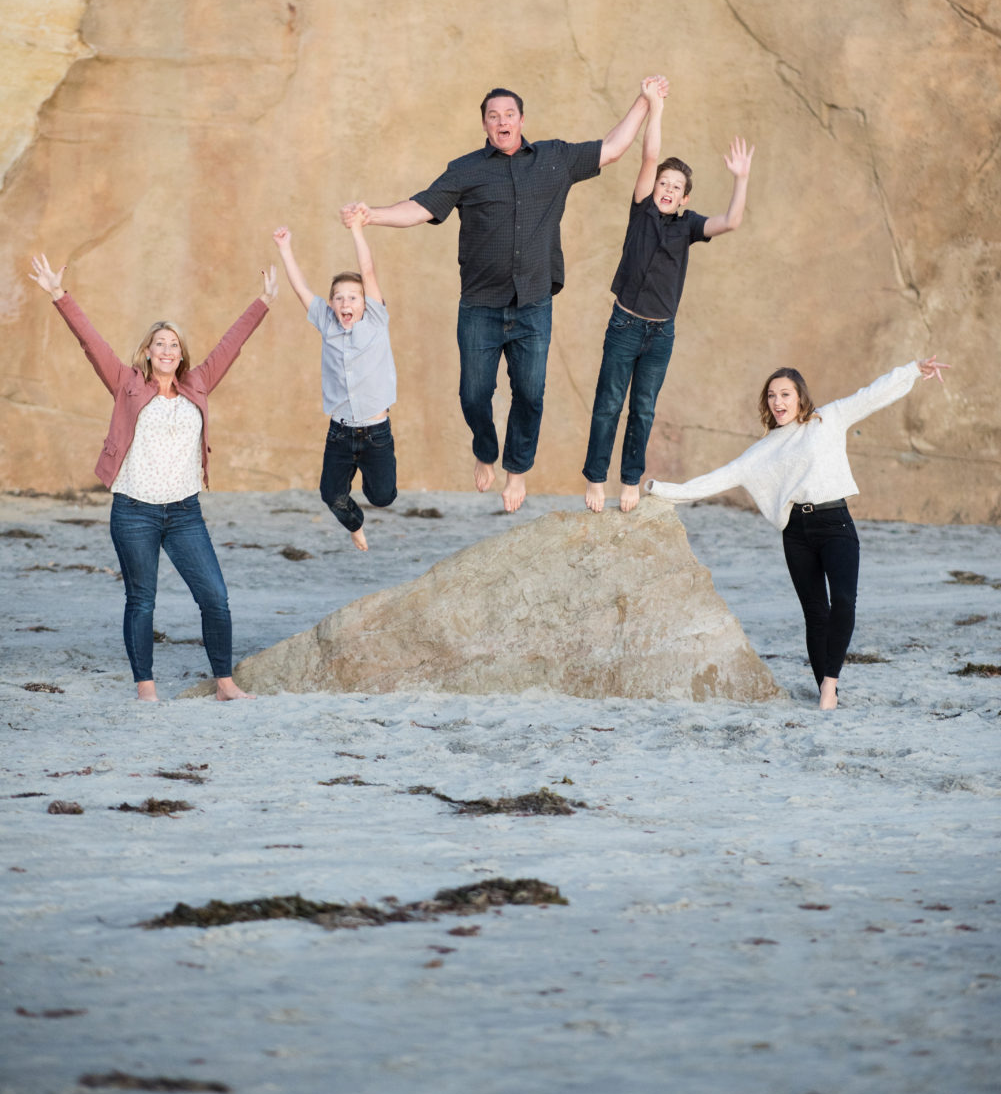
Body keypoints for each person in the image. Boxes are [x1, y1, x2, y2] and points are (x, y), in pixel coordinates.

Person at [339, 78, 666, 512]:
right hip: (480, 306)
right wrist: (372, 216)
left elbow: (612, 147)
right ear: (485, 126)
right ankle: (485, 448)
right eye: (493, 116)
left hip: (533, 304)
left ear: (522, 120)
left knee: (530, 394)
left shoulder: (555, 159)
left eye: (509, 114)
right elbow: (421, 206)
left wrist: (645, 102)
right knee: (474, 395)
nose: (502, 121)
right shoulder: (466, 169)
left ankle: (516, 471)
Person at [29, 252, 278, 703]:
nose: (167, 351)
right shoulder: (126, 382)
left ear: (182, 354)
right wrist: (59, 294)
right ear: (148, 350)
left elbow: (230, 344)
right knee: (142, 600)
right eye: (160, 344)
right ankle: (146, 688)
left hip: (185, 511)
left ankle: (225, 684)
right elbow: (91, 342)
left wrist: (263, 301)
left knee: (215, 598)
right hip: (134, 510)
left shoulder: (198, 382)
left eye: (175, 345)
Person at [645, 356, 950, 710]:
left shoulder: (828, 419)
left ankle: (829, 686)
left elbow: (873, 394)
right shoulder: (763, 449)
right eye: (772, 395)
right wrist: (657, 489)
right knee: (815, 612)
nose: (778, 402)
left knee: (844, 603)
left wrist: (913, 370)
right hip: (797, 533)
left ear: (800, 397)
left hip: (835, 523)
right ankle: (826, 688)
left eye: (785, 394)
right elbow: (717, 479)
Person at [582, 78, 753, 514]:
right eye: (664, 183)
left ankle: (630, 481)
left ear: (684, 198)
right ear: (654, 187)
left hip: (660, 335)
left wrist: (741, 179)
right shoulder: (641, 209)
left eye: (677, 187)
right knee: (608, 405)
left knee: (642, 411)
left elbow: (731, 222)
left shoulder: (688, 225)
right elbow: (650, 154)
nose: (668, 189)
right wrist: (655, 106)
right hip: (624, 325)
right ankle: (596, 478)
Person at [272, 216, 397, 551]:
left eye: (353, 298)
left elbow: (367, 271)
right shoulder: (326, 322)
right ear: (330, 305)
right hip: (340, 432)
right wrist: (285, 248)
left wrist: (356, 230)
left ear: (366, 304)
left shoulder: (375, 320)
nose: (346, 303)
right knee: (331, 495)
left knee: (383, 497)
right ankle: (355, 525)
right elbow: (301, 288)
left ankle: (372, 487)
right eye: (339, 298)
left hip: (376, 431)